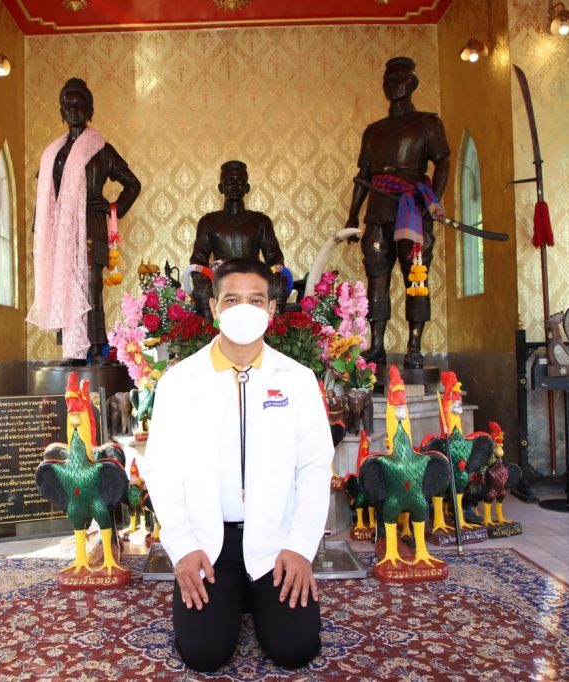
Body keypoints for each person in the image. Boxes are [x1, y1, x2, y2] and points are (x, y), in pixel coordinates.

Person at [141, 258, 334, 672]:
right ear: (214, 308)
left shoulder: (297, 379)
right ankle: (232, 597)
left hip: (276, 539)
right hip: (209, 543)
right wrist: (183, 547)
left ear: (271, 309)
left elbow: (315, 465)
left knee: (295, 649)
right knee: (204, 655)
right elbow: (161, 468)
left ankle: (256, 596)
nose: (243, 309)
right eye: (232, 300)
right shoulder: (179, 382)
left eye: (255, 300)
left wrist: (300, 547)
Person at [344, 56, 450, 370]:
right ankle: (376, 346)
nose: (394, 86)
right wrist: (352, 215)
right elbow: (364, 175)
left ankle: (414, 346)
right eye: (389, 81)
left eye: (400, 80)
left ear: (412, 83)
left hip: (412, 208)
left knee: (416, 276)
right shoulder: (373, 131)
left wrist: (432, 201)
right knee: (376, 276)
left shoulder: (427, 123)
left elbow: (442, 162)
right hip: (379, 209)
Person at [28, 77, 142, 364]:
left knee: (91, 286)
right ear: (61, 111)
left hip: (91, 227)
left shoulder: (101, 149)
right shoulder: (53, 154)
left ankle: (96, 349)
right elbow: (45, 198)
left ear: (90, 109)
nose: (73, 110)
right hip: (59, 234)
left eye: (79, 104)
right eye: (68, 105)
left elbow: (133, 183)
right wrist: (37, 234)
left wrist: (113, 207)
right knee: (65, 286)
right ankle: (73, 351)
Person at [189, 161, 289, 321]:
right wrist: (201, 276)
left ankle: (273, 332)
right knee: (203, 289)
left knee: (278, 284)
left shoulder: (260, 221)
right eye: (229, 182)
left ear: (247, 188)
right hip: (221, 277)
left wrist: (273, 272)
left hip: (254, 276)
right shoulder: (209, 222)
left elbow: (274, 255)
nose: (234, 186)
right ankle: (210, 332)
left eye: (239, 182)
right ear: (221, 188)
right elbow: (198, 258)